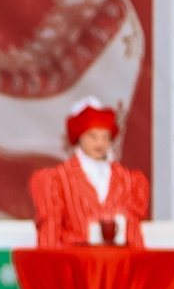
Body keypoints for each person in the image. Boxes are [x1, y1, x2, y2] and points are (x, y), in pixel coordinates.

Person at [29, 98, 149, 250]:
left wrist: (137, 265)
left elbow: (133, 230)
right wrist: (49, 267)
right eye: (93, 136)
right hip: (75, 263)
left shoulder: (127, 180)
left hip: (116, 264)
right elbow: (50, 229)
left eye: (105, 137)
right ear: (80, 137)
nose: (100, 143)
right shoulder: (59, 178)